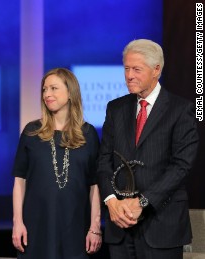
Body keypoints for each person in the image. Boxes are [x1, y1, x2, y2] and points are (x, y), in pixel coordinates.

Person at [97, 39, 199, 259]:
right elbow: (104, 159)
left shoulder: (181, 110)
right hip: (120, 227)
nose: (129, 75)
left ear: (156, 70)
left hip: (162, 226)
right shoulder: (115, 108)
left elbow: (181, 166)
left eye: (136, 69)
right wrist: (110, 201)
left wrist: (142, 202)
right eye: (126, 68)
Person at [11, 68, 102, 258]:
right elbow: (20, 181)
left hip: (76, 227)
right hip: (36, 227)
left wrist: (95, 226)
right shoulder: (31, 131)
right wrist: (17, 222)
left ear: (70, 93)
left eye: (54, 88)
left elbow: (94, 185)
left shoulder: (88, 134)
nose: (47, 94)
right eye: (44, 90)